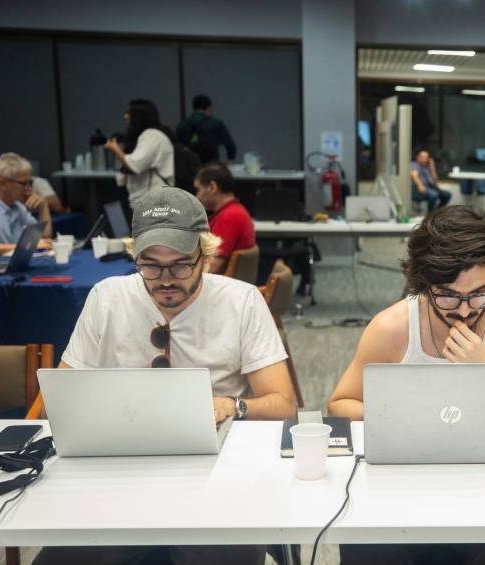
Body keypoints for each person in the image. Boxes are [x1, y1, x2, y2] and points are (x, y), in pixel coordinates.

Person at [32, 186, 295, 565]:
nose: (165, 279)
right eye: (150, 265)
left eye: (180, 265)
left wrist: (229, 405)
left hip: (217, 479)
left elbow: (283, 404)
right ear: (134, 256)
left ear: (206, 255)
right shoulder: (107, 297)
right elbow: (61, 399)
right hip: (117, 479)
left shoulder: (241, 301)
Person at [328, 205, 485, 565]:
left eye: (481, 293)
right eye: (448, 296)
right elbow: (340, 404)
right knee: (367, 549)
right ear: (424, 283)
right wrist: (411, 415)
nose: (466, 310)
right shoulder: (392, 328)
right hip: (403, 492)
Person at [104, 99, 174, 210]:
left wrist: (115, 149)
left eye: (129, 113)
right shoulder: (142, 137)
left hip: (156, 203)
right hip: (145, 204)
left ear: (139, 116)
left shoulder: (152, 136)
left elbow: (135, 165)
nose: (125, 117)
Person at [194, 161, 255, 274]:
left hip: (219, 289)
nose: (197, 196)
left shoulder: (228, 218)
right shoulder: (236, 211)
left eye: (198, 189)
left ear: (212, 187)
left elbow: (209, 268)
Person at [0, 152, 52, 254]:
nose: (28, 189)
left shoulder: (18, 207)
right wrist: (23, 247)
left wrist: (43, 207)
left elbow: (44, 238)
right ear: (2, 183)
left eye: (30, 183)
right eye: (23, 183)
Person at [176, 94, 237, 164]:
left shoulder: (182, 125)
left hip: (189, 169)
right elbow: (231, 147)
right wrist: (229, 159)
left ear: (194, 108)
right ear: (209, 108)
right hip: (210, 168)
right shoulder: (216, 124)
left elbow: (177, 149)